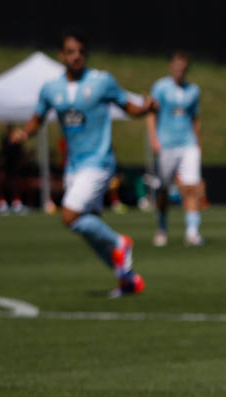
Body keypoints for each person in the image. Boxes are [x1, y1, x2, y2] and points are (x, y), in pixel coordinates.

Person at [11, 34, 156, 297]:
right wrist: (23, 133)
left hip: (99, 162)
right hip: (74, 166)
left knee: (69, 215)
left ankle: (120, 242)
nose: (76, 56)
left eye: (80, 51)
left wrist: (145, 109)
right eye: (70, 51)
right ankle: (127, 280)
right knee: (89, 227)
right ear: (61, 56)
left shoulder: (101, 81)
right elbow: (37, 118)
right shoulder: (51, 88)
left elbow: (127, 106)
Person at [147, 50, 206, 247]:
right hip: (167, 144)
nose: (180, 71)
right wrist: (154, 139)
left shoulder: (193, 90)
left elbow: (195, 119)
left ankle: (192, 232)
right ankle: (162, 228)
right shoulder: (161, 87)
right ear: (171, 67)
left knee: (191, 188)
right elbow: (150, 115)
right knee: (163, 189)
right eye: (177, 67)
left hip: (187, 143)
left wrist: (198, 143)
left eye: (183, 68)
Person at [0, 124, 29, 214]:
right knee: (3, 184)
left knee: (16, 185)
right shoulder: (5, 140)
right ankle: (2, 203)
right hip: (6, 167)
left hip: (15, 167)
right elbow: (2, 153)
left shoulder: (18, 141)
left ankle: (16, 202)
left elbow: (21, 153)